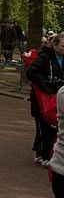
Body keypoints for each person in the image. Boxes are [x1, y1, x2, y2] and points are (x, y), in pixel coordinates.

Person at [27, 33, 64, 166]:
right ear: (55, 46)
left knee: (55, 128)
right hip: (42, 100)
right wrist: (45, 84)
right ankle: (42, 154)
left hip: (57, 99)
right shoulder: (45, 57)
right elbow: (31, 71)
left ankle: (46, 153)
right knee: (44, 127)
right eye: (62, 46)